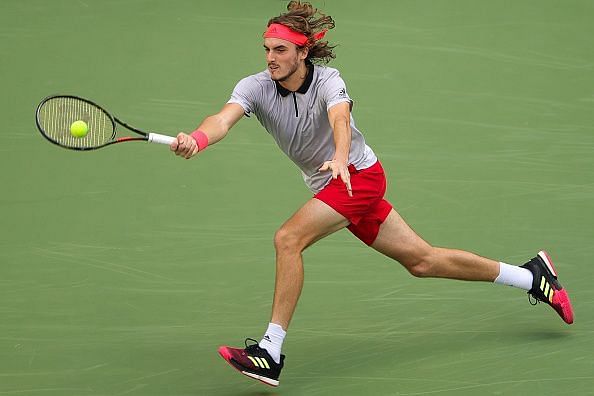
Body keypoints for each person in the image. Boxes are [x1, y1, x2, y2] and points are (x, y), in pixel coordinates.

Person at [170, 1, 574, 387]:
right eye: (267, 50)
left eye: (280, 50)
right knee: (422, 261)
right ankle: (533, 276)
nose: (270, 58)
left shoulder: (329, 80)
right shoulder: (254, 87)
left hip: (358, 178)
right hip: (332, 184)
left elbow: (339, 119)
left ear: (303, 52)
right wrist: (199, 140)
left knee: (288, 239)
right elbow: (222, 119)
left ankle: (271, 352)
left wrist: (341, 158)